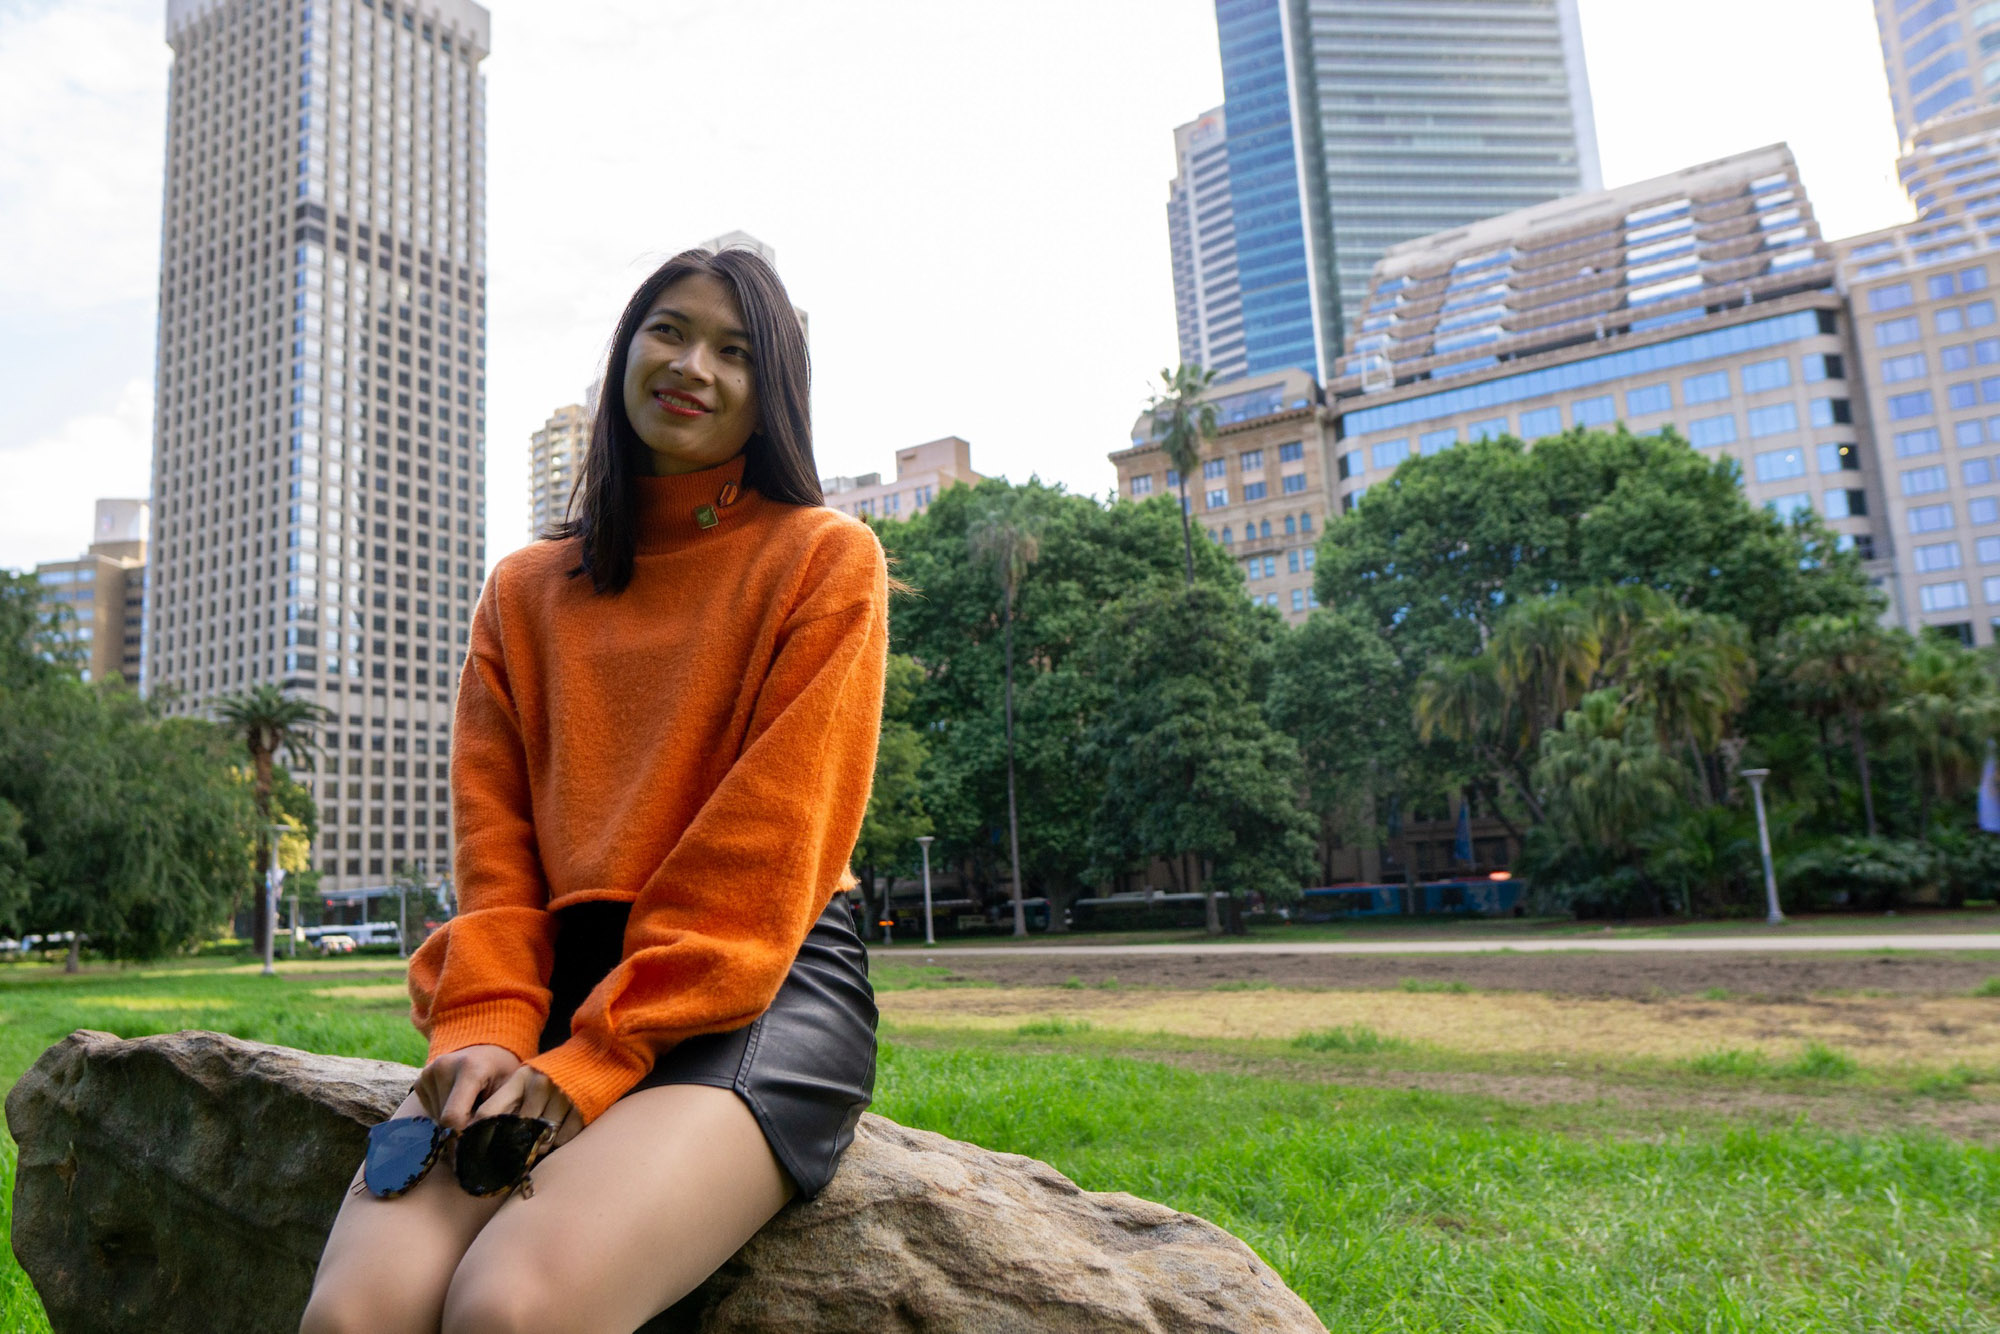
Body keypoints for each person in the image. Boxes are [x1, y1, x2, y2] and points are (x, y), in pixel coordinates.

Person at [301, 246, 888, 1334]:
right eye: (667, 329)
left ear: (774, 396)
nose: (692, 365)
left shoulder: (823, 558)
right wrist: (480, 1021)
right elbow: (496, 845)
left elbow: (765, 851)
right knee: (357, 1313)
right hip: (555, 983)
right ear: (624, 348)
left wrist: (601, 1052)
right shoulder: (525, 589)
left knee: (510, 1306)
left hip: (755, 982)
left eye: (734, 350)